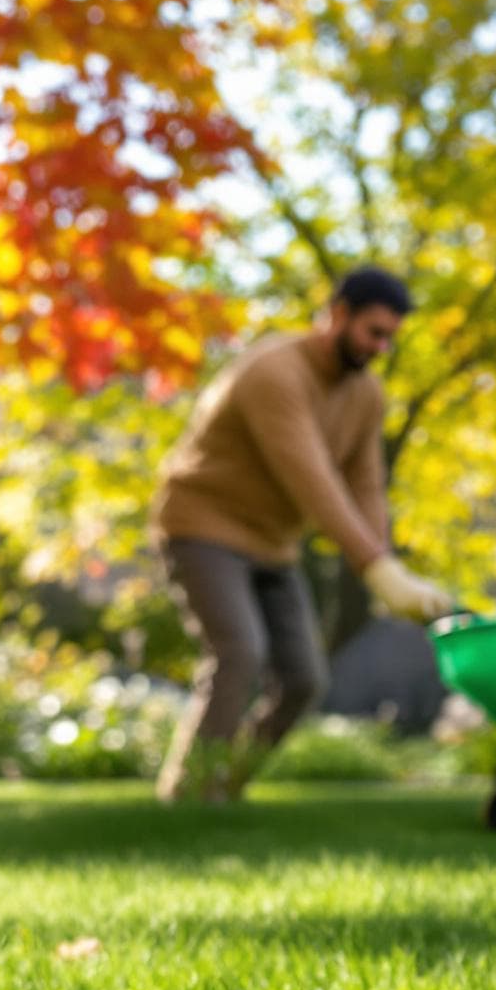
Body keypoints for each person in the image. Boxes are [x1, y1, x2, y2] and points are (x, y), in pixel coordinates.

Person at [149, 266, 455, 805]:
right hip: (204, 525)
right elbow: (312, 479)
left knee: (304, 679)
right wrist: (375, 568)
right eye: (373, 333)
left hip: (273, 545)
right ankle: (191, 792)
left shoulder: (366, 394)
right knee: (239, 652)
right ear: (338, 314)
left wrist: (388, 563)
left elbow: (365, 485)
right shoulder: (275, 371)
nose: (381, 347)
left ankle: (228, 783)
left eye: (390, 337)